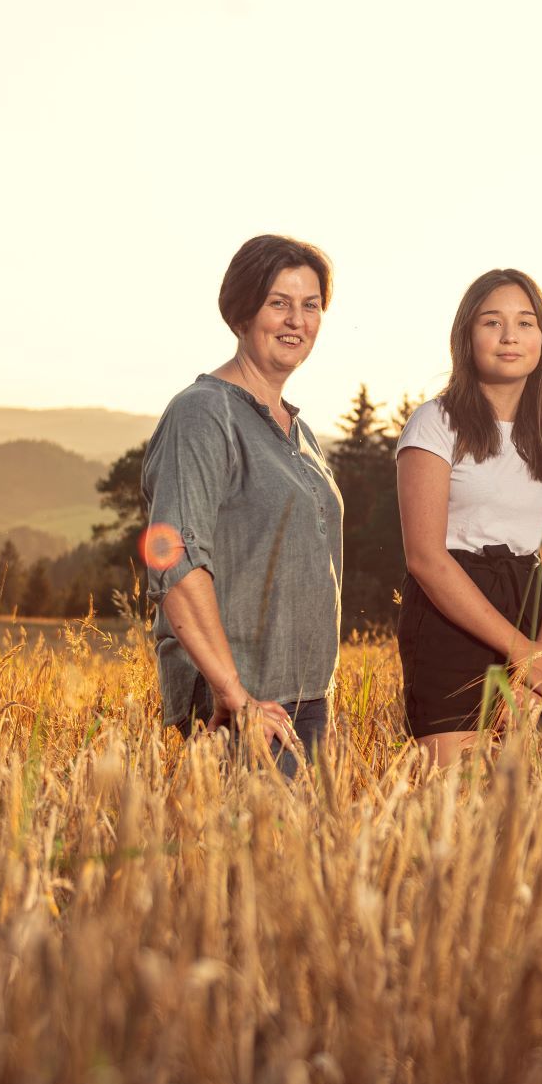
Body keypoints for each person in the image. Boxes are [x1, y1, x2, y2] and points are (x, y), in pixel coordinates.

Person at [140, 235, 344, 774]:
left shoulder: (298, 431)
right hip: (237, 707)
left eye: (311, 305)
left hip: (302, 702)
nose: (295, 321)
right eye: (278, 303)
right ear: (241, 311)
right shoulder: (203, 413)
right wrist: (234, 693)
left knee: (302, 859)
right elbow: (172, 556)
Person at [395, 269, 542, 766]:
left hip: (530, 613)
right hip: (452, 617)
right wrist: (520, 650)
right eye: (492, 322)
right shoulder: (435, 423)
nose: (509, 336)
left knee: (523, 807)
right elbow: (426, 559)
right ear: (466, 336)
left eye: (525, 322)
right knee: (459, 802)